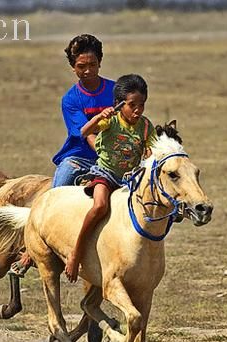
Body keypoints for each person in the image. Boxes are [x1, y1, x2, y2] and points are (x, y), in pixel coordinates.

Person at [9, 34, 115, 277]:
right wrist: (104, 155)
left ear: (100, 62)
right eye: (81, 66)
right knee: (55, 193)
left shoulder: (114, 90)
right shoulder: (71, 99)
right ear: (72, 67)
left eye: (92, 65)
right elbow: (84, 135)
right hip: (80, 157)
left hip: (114, 155)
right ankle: (32, 246)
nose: (88, 70)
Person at [64, 74, 157, 282]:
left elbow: (152, 150)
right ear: (118, 104)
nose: (137, 110)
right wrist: (98, 117)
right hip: (105, 174)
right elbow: (83, 132)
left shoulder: (145, 126)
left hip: (129, 179)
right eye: (132, 105)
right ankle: (76, 253)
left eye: (141, 105)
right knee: (99, 207)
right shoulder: (111, 120)